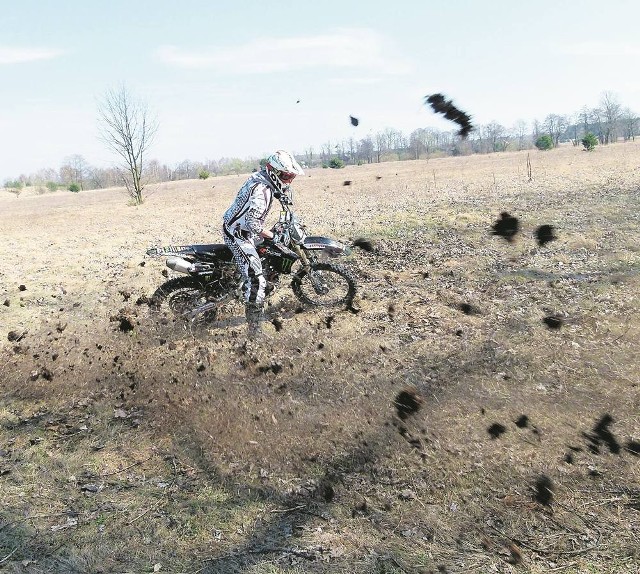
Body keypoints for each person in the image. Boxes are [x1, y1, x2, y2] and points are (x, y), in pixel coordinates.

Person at [223, 150, 305, 338]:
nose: (288, 180)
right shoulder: (262, 191)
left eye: (291, 176)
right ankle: (254, 330)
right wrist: (272, 236)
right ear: (274, 172)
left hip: (241, 227)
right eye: (285, 176)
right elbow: (253, 223)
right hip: (238, 233)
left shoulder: (262, 177)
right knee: (257, 279)